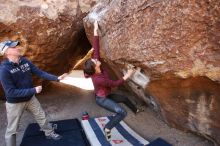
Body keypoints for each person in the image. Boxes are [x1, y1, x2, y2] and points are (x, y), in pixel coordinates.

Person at [0, 40, 67, 146]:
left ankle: (49, 133)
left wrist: (57, 78)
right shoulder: (4, 70)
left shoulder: (25, 61)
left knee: (41, 116)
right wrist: (33, 90)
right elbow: (11, 92)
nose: (18, 48)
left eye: (16, 46)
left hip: (30, 98)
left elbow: (39, 72)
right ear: (7, 52)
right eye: (13, 47)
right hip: (15, 103)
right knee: (12, 129)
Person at [83, 21, 137, 141]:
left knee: (124, 98)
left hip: (107, 94)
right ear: (95, 69)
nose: (96, 60)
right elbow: (115, 83)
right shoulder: (99, 79)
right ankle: (108, 127)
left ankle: (136, 110)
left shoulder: (96, 66)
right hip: (102, 99)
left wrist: (96, 30)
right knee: (122, 112)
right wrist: (127, 75)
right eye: (95, 62)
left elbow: (96, 48)